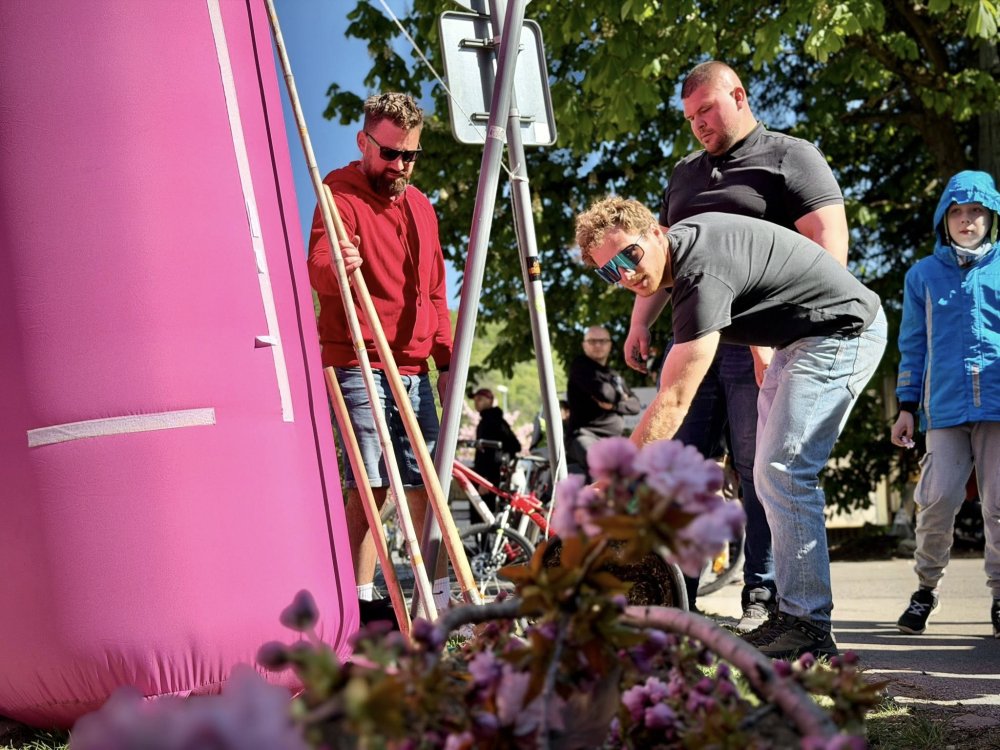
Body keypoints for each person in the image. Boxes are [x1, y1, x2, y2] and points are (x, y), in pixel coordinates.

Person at [575, 196, 886, 659]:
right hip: (795, 342)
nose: (625, 274)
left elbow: (676, 396)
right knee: (767, 474)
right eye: (609, 270)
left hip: (842, 332)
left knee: (783, 469)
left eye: (630, 255)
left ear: (658, 233)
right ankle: (791, 614)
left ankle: (809, 627)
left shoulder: (700, 274)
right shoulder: (684, 258)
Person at [623, 60, 849, 630]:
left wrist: (789, 331)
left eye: (707, 109)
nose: (698, 123)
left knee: (760, 469)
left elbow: (829, 253)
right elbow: (657, 257)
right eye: (689, 116)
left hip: (766, 345)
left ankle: (763, 595)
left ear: (739, 96)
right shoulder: (683, 176)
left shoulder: (791, 157)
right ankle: (677, 593)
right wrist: (639, 322)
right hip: (697, 340)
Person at [307, 92, 453, 620]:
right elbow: (318, 267)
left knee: (423, 486)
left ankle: (435, 606)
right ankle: (358, 607)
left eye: (409, 155)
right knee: (368, 487)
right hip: (357, 359)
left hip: (414, 366)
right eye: (389, 153)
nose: (399, 166)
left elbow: (435, 290)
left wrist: (447, 359)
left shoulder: (421, 208)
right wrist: (338, 263)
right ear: (363, 141)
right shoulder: (338, 193)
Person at [889, 170, 1000, 638]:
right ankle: (925, 589)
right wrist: (906, 404)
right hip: (943, 407)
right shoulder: (923, 276)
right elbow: (912, 344)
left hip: (997, 406)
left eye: (976, 211)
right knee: (936, 500)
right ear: (944, 218)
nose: (967, 219)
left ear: (991, 217)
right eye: (957, 211)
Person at [565, 326, 641, 478]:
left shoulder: (613, 375)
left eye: (602, 341)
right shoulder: (580, 366)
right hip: (586, 436)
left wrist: (615, 405)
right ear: (584, 345)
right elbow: (604, 393)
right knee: (600, 465)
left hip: (614, 441)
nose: (598, 345)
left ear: (610, 344)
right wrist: (622, 397)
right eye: (592, 341)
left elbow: (636, 405)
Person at [470, 387, 522, 514]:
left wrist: (485, 479)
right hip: (490, 476)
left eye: (480, 399)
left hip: (489, 478)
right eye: (475, 399)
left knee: (484, 517)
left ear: (490, 400)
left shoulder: (492, 421)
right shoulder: (494, 420)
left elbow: (490, 453)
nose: (477, 402)